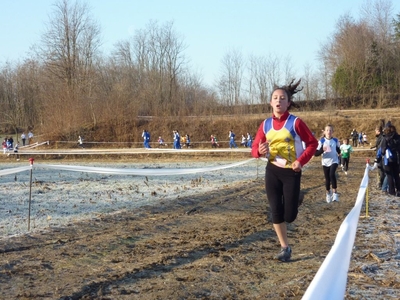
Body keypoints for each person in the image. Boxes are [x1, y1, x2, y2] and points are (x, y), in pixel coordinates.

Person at [251, 79, 317, 262]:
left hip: (291, 172)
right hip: (272, 170)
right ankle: (285, 247)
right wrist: (259, 151)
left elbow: (313, 143)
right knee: (276, 211)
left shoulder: (296, 123)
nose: (278, 101)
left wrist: (301, 161)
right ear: (271, 102)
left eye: (282, 98)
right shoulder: (265, 125)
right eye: (275, 98)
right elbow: (254, 147)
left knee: (290, 216)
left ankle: (297, 198)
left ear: (288, 103)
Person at [371, 123, 400, 196]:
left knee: (389, 175)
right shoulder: (398, 137)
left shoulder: (385, 138)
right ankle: (399, 191)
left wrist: (377, 159)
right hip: (397, 159)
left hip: (388, 160)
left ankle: (392, 191)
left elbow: (382, 150)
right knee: (397, 175)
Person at [315, 125, 341, 203]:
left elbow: (338, 149)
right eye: (327, 130)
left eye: (330, 130)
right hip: (325, 162)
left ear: (332, 132)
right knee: (327, 178)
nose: (329, 132)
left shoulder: (336, 140)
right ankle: (328, 193)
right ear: (324, 131)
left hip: (334, 161)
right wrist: (322, 150)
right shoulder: (322, 141)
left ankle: (335, 193)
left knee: (332, 174)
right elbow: (316, 153)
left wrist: (340, 155)